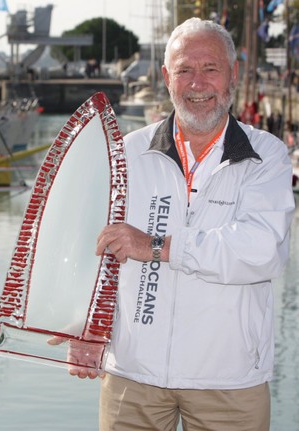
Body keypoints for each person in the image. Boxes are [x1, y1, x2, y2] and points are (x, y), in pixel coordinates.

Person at [88, 17, 295, 430]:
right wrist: (83, 329)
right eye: (185, 69)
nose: (197, 83)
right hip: (133, 375)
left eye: (210, 68)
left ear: (232, 74)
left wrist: (159, 246)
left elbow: (261, 250)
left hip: (229, 381)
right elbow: (94, 249)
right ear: (167, 77)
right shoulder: (126, 153)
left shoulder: (266, 154)